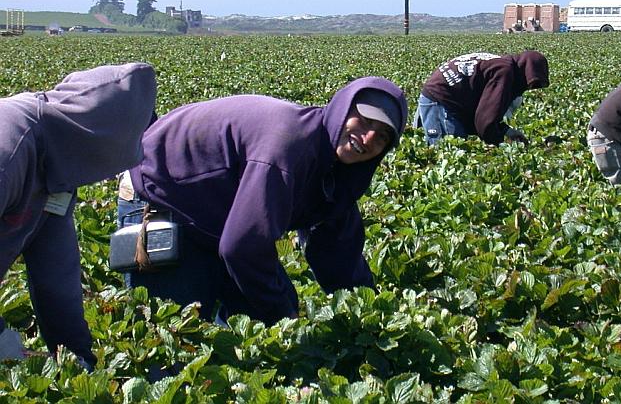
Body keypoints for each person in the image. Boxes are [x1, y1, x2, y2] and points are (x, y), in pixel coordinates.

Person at [116, 77, 408, 326]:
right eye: (364, 120)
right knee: (179, 328)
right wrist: (284, 314)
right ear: (341, 109)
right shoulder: (288, 147)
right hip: (161, 190)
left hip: (221, 213)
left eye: (382, 137)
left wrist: (371, 314)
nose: (368, 137)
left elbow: (337, 251)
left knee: (264, 314)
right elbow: (242, 247)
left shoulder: (338, 174)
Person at [0, 63, 157, 366]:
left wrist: (78, 359)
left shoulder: (58, 163)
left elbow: (55, 276)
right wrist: (4, 344)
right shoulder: (10, 148)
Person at [414, 50, 549, 145]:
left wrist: (506, 131)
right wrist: (502, 143)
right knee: (449, 151)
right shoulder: (505, 72)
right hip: (440, 100)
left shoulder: (500, 63)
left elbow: (482, 110)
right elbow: (485, 120)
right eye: (531, 84)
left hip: (439, 97)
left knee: (450, 149)